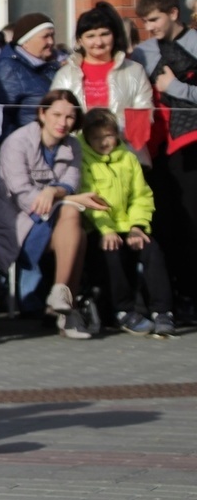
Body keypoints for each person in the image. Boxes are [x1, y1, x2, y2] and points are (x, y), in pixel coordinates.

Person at [0, 90, 108, 337]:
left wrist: (55, 191)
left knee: (75, 224)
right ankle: (65, 313)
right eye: (57, 115)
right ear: (42, 113)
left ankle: (60, 294)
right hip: (15, 224)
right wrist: (64, 196)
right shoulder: (17, 142)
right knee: (75, 223)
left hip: (52, 222)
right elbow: (25, 198)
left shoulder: (72, 145)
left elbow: (71, 180)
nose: (63, 123)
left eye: (70, 117)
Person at [131, 0, 197, 324]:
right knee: (166, 224)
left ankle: (190, 294)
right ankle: (173, 294)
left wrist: (176, 88)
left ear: (173, 13)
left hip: (191, 147)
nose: (150, 27)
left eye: (154, 19)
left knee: (191, 223)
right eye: (144, 21)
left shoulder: (195, 44)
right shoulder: (143, 52)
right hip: (157, 150)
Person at [78, 108, 174, 337]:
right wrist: (107, 230)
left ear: (117, 134)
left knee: (153, 251)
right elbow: (90, 199)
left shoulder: (129, 158)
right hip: (100, 228)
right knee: (111, 252)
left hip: (128, 225)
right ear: (87, 138)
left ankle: (163, 311)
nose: (103, 142)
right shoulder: (83, 160)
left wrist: (137, 227)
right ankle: (123, 310)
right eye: (96, 138)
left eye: (108, 136)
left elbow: (141, 196)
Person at [50, 1, 153, 158]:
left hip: (124, 155)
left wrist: (109, 136)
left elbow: (144, 115)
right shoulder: (65, 75)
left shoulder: (134, 71)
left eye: (104, 34)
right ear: (80, 40)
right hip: (78, 155)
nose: (98, 42)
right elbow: (56, 116)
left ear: (114, 35)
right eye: (90, 36)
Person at [0, 12, 62, 142]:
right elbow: (2, 120)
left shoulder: (52, 66)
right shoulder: (9, 69)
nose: (51, 42)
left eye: (52, 35)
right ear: (25, 42)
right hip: (28, 147)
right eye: (45, 37)